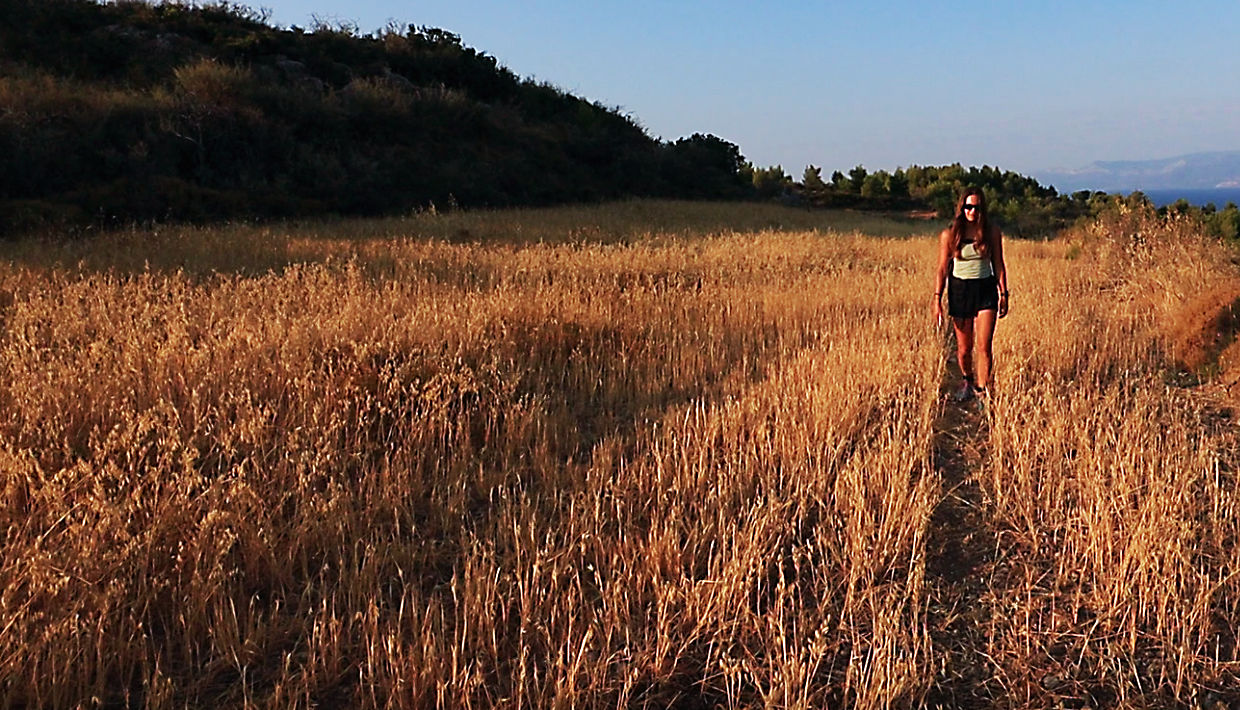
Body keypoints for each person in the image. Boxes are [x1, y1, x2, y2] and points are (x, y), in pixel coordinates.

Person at [933, 187, 1009, 402]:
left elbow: (998, 264)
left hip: (985, 289)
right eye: (968, 206)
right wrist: (937, 298)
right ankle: (967, 379)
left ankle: (983, 392)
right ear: (961, 208)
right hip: (960, 290)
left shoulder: (991, 232)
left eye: (976, 207)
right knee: (965, 349)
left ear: (982, 209)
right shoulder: (949, 235)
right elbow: (942, 268)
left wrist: (1004, 293)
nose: (972, 211)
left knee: (984, 346)